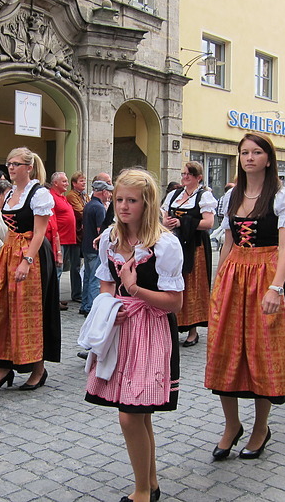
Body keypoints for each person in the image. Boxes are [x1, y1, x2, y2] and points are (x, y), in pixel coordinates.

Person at [84, 169, 183, 502]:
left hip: (152, 331)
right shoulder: (111, 238)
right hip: (122, 330)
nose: (123, 206)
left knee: (130, 415)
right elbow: (106, 285)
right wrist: (112, 304)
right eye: (119, 199)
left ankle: (142, 489)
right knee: (139, 414)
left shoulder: (165, 244)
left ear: (147, 202)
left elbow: (175, 303)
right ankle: (150, 484)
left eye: (132, 200)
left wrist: (135, 289)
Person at [205, 133, 285, 460]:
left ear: (268, 158)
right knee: (223, 348)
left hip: (265, 273)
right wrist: (217, 282)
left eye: (256, 152)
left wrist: (276, 287)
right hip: (234, 274)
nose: (249, 158)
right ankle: (232, 425)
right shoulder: (231, 196)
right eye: (244, 152)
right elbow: (228, 243)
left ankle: (261, 427)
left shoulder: (282, 198)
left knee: (263, 351)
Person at [0, 147, 60, 392]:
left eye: (15, 164)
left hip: (32, 254)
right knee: (2, 309)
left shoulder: (39, 194)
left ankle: (38, 368)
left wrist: (27, 261)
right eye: (8, 163)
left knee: (31, 311)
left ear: (29, 167)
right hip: (9, 252)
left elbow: (39, 233)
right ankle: (2, 368)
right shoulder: (11, 192)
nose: (10, 168)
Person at [162, 161, 217, 347]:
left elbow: (209, 223)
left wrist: (182, 222)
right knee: (172, 283)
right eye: (183, 173)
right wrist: (166, 221)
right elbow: (162, 212)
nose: (184, 177)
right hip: (173, 244)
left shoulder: (204, 196)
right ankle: (172, 326)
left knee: (192, 286)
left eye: (189, 174)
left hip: (195, 247)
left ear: (198, 177)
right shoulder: (174, 194)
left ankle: (193, 331)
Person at [80, 179, 114, 317]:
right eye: (108, 191)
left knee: (87, 277)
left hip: (86, 246)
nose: (110, 195)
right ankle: (92, 307)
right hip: (94, 247)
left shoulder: (89, 205)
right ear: (104, 191)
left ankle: (84, 305)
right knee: (95, 279)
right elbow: (101, 229)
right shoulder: (99, 208)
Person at [50, 171, 77, 309]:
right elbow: (52, 222)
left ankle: (56, 298)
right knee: (57, 272)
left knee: (61, 271)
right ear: (55, 183)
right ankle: (54, 301)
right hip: (60, 241)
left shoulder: (62, 197)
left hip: (68, 239)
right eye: (64, 181)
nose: (67, 184)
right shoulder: (51, 197)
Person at [66, 171, 89, 302]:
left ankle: (80, 291)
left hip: (83, 234)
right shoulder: (71, 196)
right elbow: (81, 212)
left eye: (84, 181)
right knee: (75, 265)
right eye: (81, 181)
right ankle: (76, 293)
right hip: (76, 235)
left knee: (82, 265)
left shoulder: (84, 195)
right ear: (74, 183)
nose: (84, 183)